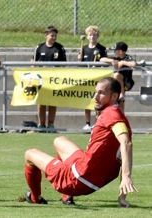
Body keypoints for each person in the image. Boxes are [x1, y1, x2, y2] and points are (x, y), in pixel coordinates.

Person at [23, 77, 137, 207]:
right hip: (93, 176)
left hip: (78, 179)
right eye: (96, 92)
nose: (96, 97)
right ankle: (67, 197)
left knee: (29, 154)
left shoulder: (112, 115)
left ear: (114, 96)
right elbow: (124, 152)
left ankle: (35, 198)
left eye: (101, 93)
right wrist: (122, 198)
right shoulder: (121, 118)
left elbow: (126, 143)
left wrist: (126, 176)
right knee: (59, 140)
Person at [32, 25, 66, 130]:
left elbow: (64, 64)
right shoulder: (39, 47)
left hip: (54, 79)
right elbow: (33, 61)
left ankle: (51, 124)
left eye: (55, 36)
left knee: (52, 102)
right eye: (52, 35)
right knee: (41, 102)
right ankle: (41, 124)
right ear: (46, 36)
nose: (54, 38)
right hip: (41, 79)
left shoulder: (59, 48)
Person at [77, 25, 108, 131]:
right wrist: (79, 59)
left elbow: (105, 62)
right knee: (87, 101)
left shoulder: (101, 49)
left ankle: (98, 122)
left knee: (98, 100)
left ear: (97, 36)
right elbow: (80, 63)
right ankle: (87, 123)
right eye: (90, 35)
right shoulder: (83, 49)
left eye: (94, 35)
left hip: (97, 79)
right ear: (87, 36)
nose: (92, 37)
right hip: (86, 78)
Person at [100, 42, 136, 113]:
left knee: (116, 75)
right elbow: (101, 59)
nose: (114, 52)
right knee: (117, 100)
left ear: (120, 51)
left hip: (126, 82)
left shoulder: (127, 57)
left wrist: (122, 63)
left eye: (115, 50)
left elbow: (133, 63)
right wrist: (112, 60)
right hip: (116, 83)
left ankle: (121, 93)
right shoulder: (115, 58)